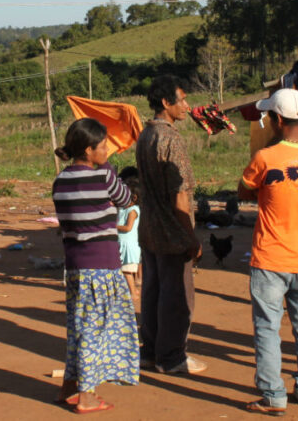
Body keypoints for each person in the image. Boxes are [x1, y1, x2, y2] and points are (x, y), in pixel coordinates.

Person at [237, 89, 298, 415]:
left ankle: (273, 396)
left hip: (271, 258)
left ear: (276, 120)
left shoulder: (265, 158)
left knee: (267, 328)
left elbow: (244, 190)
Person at [52, 118, 138, 414]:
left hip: (75, 266)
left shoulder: (60, 181)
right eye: (103, 147)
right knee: (95, 330)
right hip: (102, 266)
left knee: (78, 326)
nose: (107, 152)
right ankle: (87, 396)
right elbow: (126, 199)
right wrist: (111, 172)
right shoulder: (103, 175)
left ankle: (69, 388)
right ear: (89, 151)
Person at [135, 74, 204, 375]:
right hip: (171, 232)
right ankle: (172, 356)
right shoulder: (170, 138)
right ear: (166, 103)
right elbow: (180, 197)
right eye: (182, 100)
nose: (187, 106)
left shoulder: (144, 135)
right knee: (176, 296)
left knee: (152, 292)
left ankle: (150, 352)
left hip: (149, 228)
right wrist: (190, 237)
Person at [116, 166, 142, 313]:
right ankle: (133, 291)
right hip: (125, 244)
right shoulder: (125, 209)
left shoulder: (132, 211)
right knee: (127, 270)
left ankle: (133, 293)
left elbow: (127, 227)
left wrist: (114, 226)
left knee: (126, 270)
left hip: (128, 245)